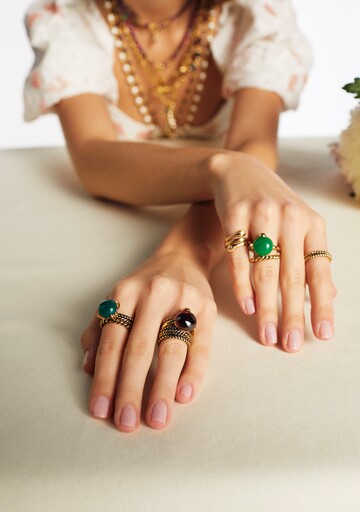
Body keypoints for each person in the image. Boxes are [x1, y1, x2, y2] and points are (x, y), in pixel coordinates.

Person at [24, 0, 336, 433]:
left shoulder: (254, 15)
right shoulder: (68, 18)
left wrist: (185, 252)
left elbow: (254, 146)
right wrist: (224, 168)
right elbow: (94, 159)